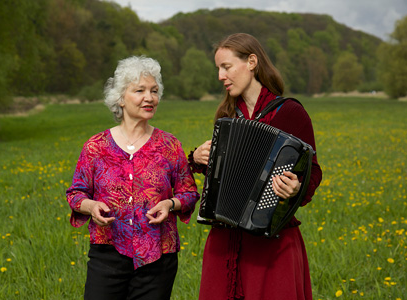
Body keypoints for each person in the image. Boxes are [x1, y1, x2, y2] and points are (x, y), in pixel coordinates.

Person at [189, 33, 323, 300]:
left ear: (251, 62)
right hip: (225, 240)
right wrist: (199, 158)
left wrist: (295, 187)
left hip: (271, 244)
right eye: (218, 68)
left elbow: (313, 172)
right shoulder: (226, 115)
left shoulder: (289, 112)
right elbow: (223, 175)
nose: (220, 76)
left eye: (226, 67)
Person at [66, 56, 199, 300]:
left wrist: (170, 204)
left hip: (158, 258)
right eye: (140, 90)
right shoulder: (96, 147)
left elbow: (189, 194)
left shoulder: (170, 146)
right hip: (107, 254)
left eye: (154, 91)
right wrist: (92, 206)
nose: (149, 98)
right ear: (120, 98)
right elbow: (76, 194)